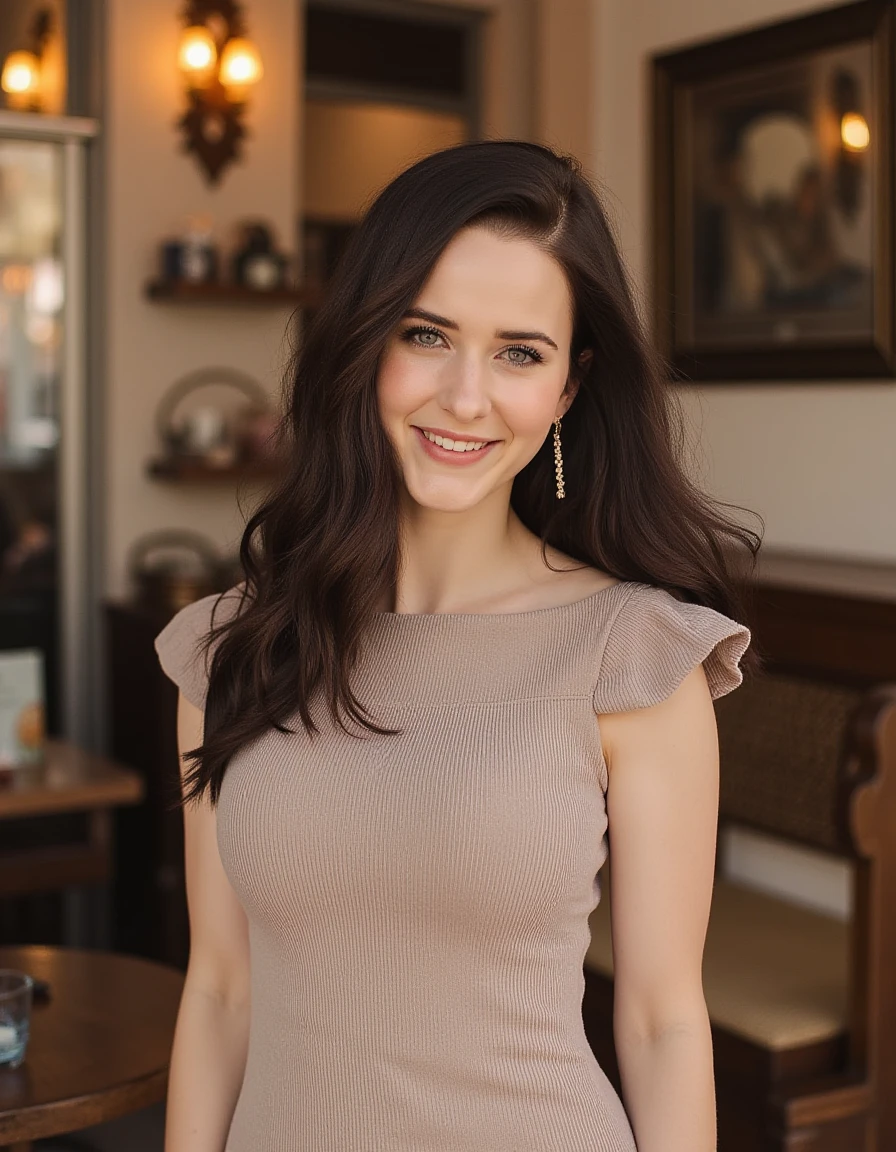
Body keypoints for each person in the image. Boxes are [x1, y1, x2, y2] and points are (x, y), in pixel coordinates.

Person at [155, 140, 759, 1152]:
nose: (465, 397)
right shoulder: (231, 650)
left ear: (567, 390)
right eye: (425, 334)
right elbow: (219, 993)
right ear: (362, 343)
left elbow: (659, 1025)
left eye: (519, 353)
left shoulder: (633, 657)